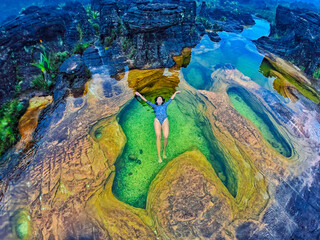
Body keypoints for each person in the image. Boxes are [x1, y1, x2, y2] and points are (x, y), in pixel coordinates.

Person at [135, 91, 181, 163]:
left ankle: (164, 152)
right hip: (157, 120)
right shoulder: (154, 106)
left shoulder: (165, 105)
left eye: (160, 98)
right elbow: (146, 100)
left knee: (166, 136)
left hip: (165, 120)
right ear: (156, 101)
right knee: (158, 137)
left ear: (162, 101)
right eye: (158, 98)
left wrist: (175, 93)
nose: (159, 99)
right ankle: (159, 156)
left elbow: (171, 99)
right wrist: (139, 95)